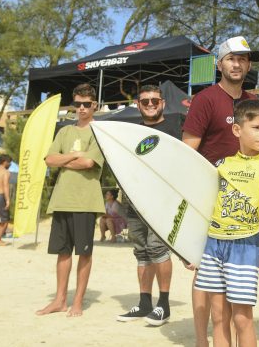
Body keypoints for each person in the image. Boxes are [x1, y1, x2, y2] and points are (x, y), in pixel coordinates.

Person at [195, 99, 259, 346]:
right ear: (237, 130)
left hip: (246, 246)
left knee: (241, 318)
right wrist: (192, 249)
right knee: (218, 316)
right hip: (213, 246)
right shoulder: (220, 166)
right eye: (257, 127)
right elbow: (202, 209)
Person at [183, 36, 259, 346]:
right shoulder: (205, 99)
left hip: (243, 203)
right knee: (204, 271)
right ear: (220, 64)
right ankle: (203, 339)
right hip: (207, 198)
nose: (237, 63)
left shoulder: (253, 101)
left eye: (243, 59)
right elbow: (187, 152)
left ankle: (226, 337)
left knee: (236, 275)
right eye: (232, 58)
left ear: (249, 64)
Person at [117, 84, 185, 326]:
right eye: (145, 101)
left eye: (155, 101)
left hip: (162, 201)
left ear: (163, 103)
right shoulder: (130, 131)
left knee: (158, 249)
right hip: (134, 200)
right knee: (141, 252)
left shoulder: (177, 125)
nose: (150, 105)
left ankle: (163, 306)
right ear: (138, 104)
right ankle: (144, 302)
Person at [36, 83, 105, 318]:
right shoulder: (64, 131)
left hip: (86, 201)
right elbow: (49, 160)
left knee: (83, 253)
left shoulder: (100, 132)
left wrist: (66, 159)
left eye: (86, 104)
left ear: (94, 105)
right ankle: (59, 300)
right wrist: (75, 155)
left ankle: (77, 302)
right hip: (62, 199)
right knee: (62, 253)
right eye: (78, 104)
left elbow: (89, 164)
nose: (82, 108)